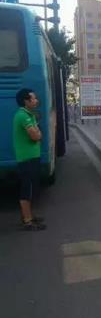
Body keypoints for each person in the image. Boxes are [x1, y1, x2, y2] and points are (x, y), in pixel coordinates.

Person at [13, 89, 46, 231]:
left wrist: (38, 133)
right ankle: (27, 221)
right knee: (27, 188)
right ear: (26, 101)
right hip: (27, 158)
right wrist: (38, 134)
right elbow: (36, 136)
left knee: (31, 188)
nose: (36, 100)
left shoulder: (29, 114)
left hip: (31, 157)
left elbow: (38, 133)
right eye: (33, 98)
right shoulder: (23, 116)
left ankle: (29, 216)